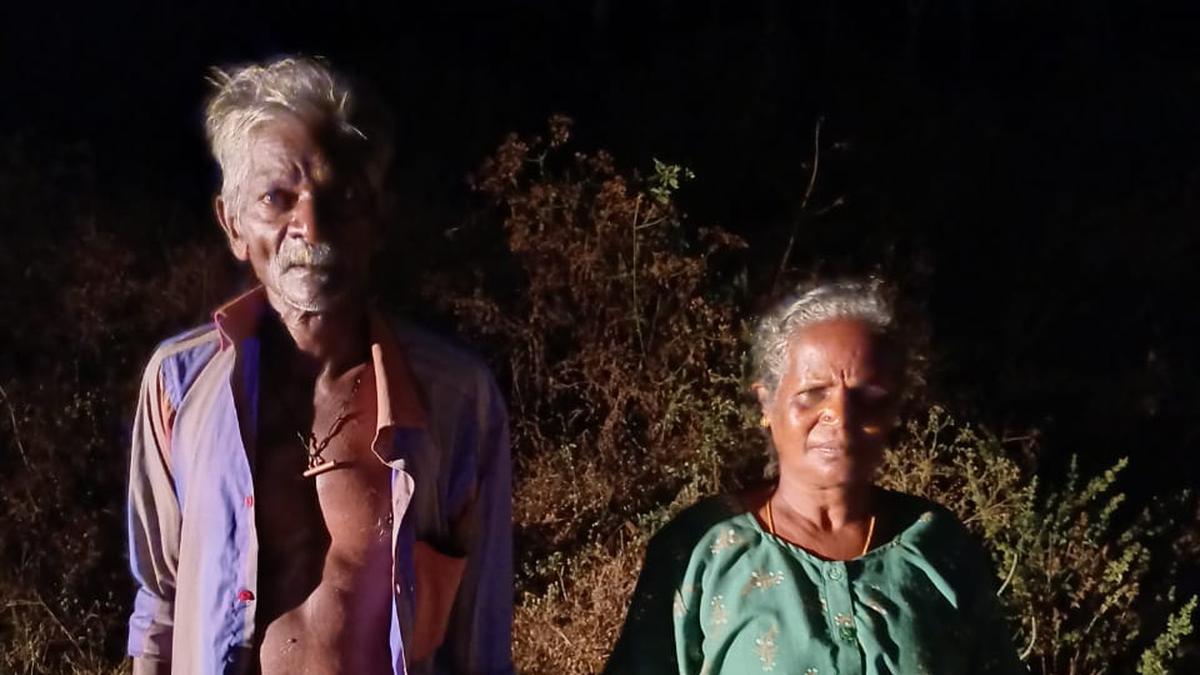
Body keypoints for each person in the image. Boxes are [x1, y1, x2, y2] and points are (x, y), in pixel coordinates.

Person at [125, 56, 513, 675]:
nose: (310, 225)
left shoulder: (456, 399)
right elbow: (161, 604)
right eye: (277, 198)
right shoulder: (178, 385)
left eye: (343, 197)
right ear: (232, 224)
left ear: (378, 217)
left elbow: (481, 640)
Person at [605, 280, 1024, 674]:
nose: (840, 418)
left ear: (894, 410)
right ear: (767, 403)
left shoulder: (936, 543)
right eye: (811, 395)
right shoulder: (701, 550)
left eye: (868, 399)